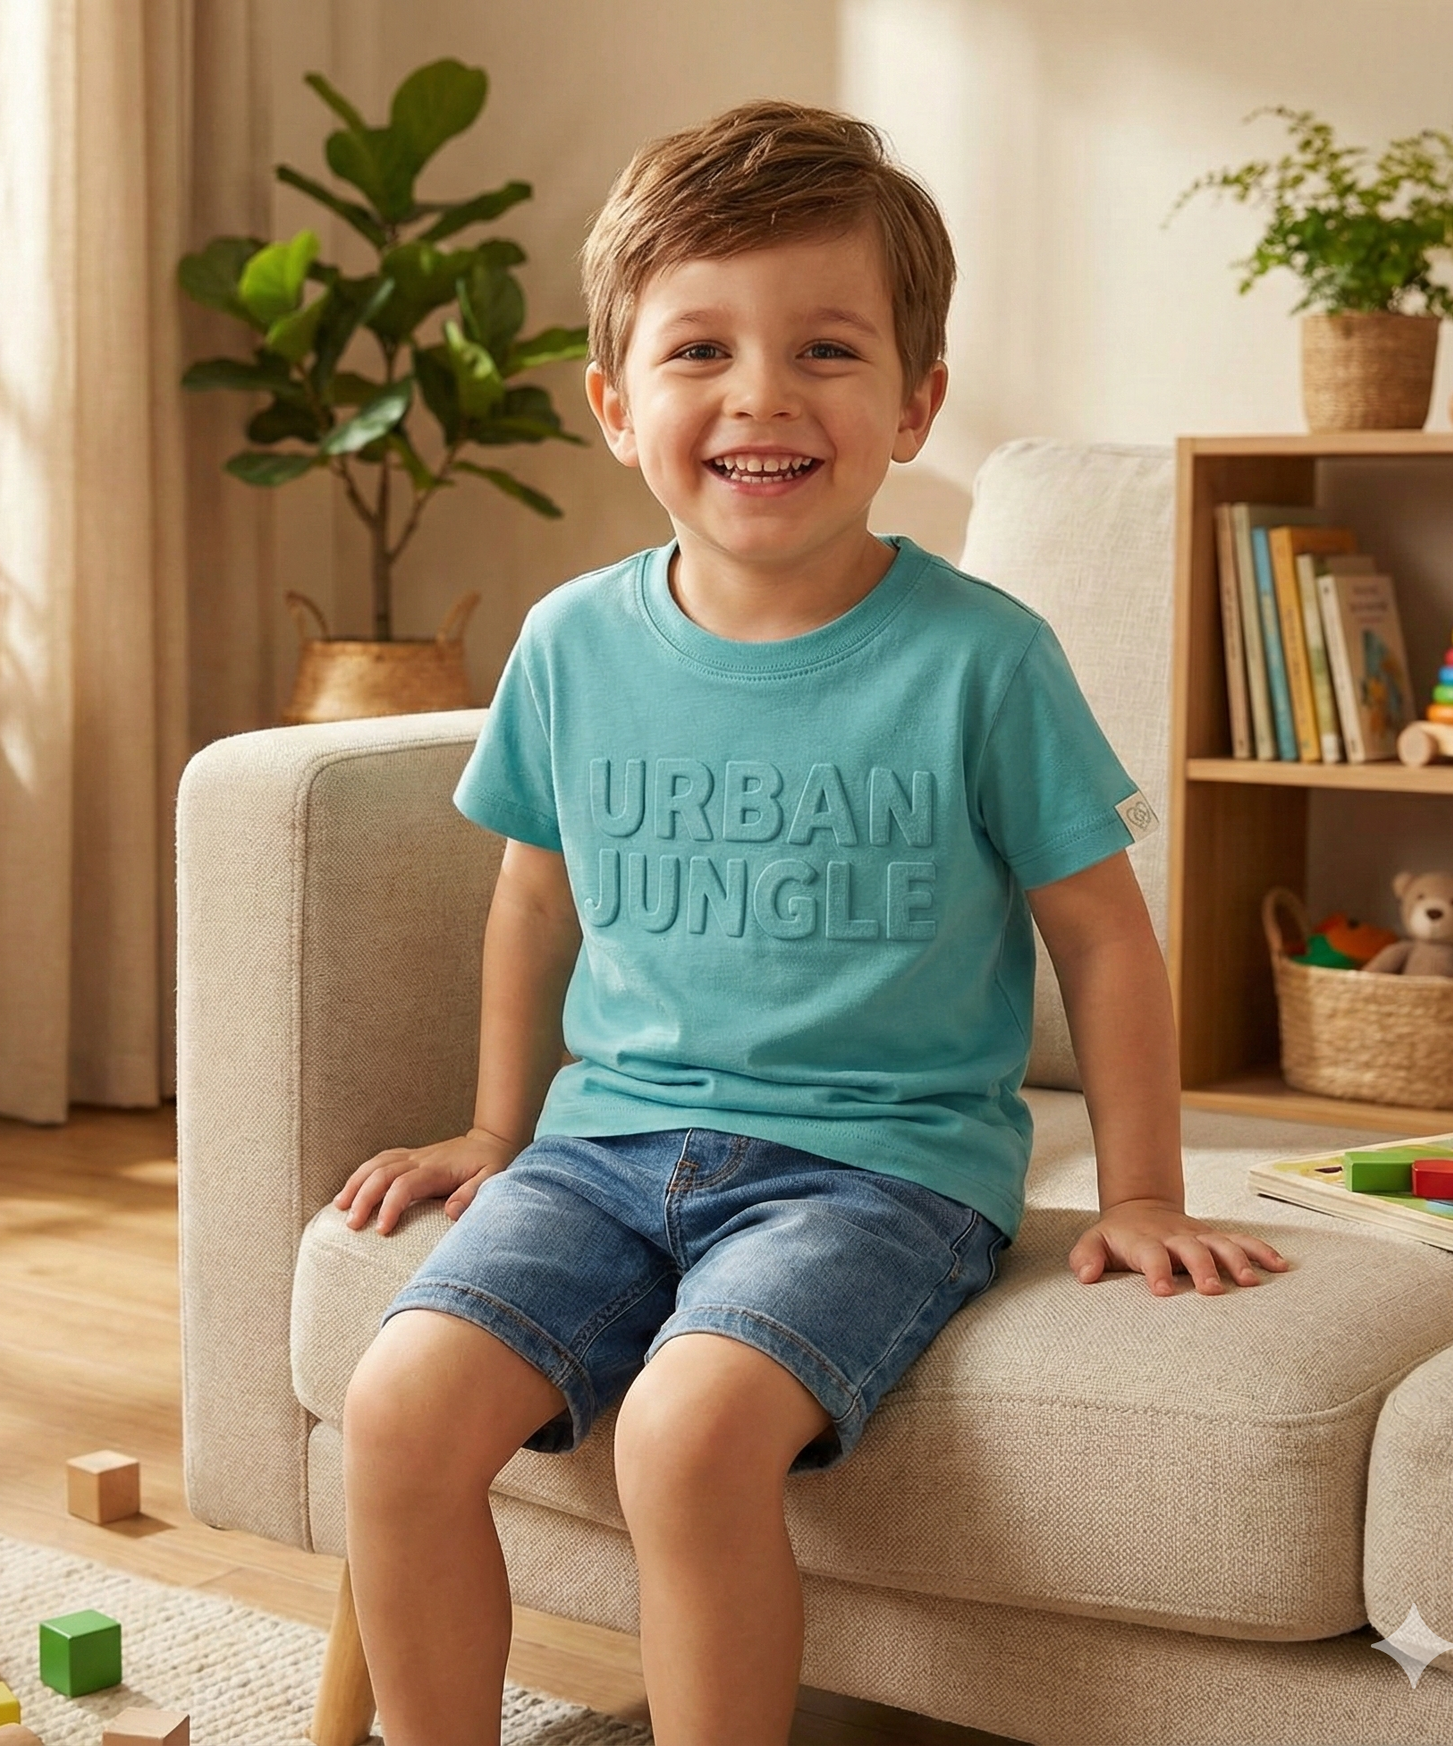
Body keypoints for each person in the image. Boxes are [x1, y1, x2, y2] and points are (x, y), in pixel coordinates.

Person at [331, 98, 1288, 1746]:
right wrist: (497, 1122)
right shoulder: (569, 642)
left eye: (825, 350)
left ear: (914, 404)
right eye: (698, 348)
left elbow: (1104, 938)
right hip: (599, 1148)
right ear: (615, 402)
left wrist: (1137, 1190)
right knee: (399, 1404)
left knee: (687, 1433)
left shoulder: (982, 658)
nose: (760, 392)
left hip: (880, 1171)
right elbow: (536, 888)